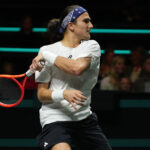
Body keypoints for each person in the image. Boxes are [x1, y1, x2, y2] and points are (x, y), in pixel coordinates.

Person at [30, 5, 112, 150]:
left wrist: (47, 57)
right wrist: (63, 94)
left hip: (84, 120)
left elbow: (76, 68)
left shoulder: (91, 46)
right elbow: (42, 95)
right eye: (86, 21)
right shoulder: (46, 50)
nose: (91, 26)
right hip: (55, 119)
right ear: (71, 26)